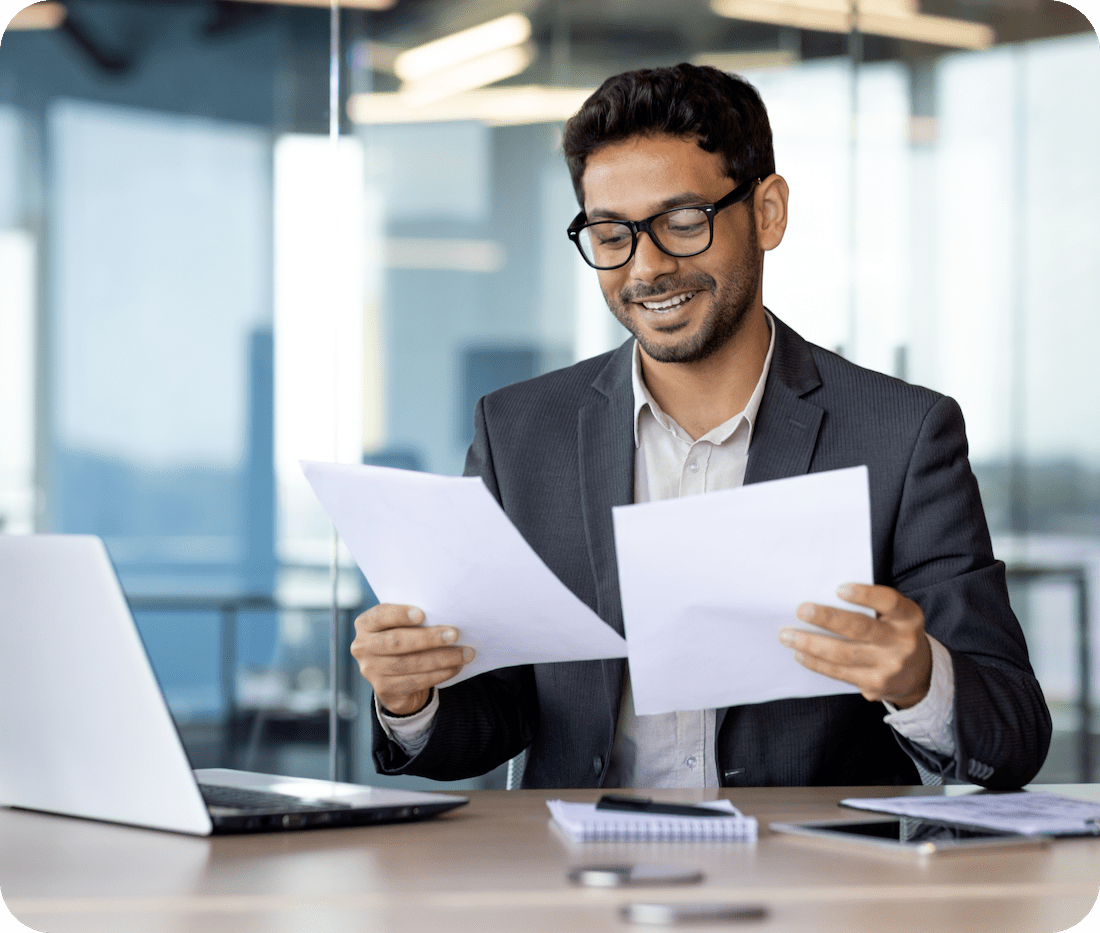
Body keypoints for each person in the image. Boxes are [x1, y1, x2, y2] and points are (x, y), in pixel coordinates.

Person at [351, 64, 1050, 789]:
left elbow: (1015, 735)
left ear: (768, 212)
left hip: (810, 886)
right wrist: (413, 696)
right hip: (575, 882)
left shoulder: (902, 434)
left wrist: (918, 677)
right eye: (611, 234)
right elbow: (495, 714)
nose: (647, 267)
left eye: (684, 222)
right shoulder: (520, 432)